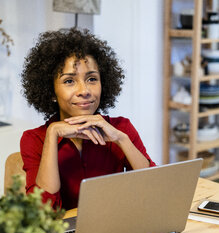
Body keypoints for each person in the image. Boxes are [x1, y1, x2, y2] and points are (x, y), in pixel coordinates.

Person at [20, 28, 156, 210]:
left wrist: (121, 139)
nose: (84, 91)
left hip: (116, 229)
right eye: (69, 81)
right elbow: (42, 211)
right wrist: (52, 134)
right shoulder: (34, 139)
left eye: (92, 79)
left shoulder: (121, 128)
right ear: (51, 92)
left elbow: (154, 189)